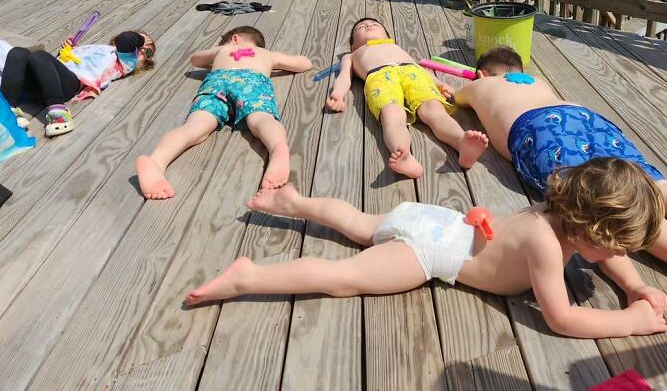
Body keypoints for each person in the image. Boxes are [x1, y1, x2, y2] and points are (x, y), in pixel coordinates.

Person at [185, 158, 667, 339]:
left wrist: (636, 287)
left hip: (438, 219)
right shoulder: (547, 245)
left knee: (356, 220)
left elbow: (609, 252)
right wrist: (630, 321)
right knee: (344, 277)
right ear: (589, 231)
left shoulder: (554, 213)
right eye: (612, 248)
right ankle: (250, 276)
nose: (614, 257)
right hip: (430, 252)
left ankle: (294, 202)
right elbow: (561, 318)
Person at [453, 45, 667, 260]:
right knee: (639, 176)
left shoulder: (482, 83)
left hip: (543, 128)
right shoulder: (537, 81)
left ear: (481, 74)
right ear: (521, 71)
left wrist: (452, 90)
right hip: (584, 117)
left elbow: (457, 98)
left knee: (599, 201)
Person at [135, 26, 312, 200]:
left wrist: (218, 53)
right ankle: (277, 147)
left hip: (217, 82)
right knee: (260, 118)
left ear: (234, 38)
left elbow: (195, 60)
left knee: (196, 126)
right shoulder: (267, 55)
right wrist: (270, 64)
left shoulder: (224, 50)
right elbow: (304, 63)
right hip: (252, 81)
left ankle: (156, 162)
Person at [325, 18, 488, 178]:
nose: (368, 25)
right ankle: (404, 155)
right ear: (353, 46)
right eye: (361, 27)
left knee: (434, 109)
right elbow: (344, 76)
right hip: (379, 76)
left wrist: (440, 85)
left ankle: (461, 142)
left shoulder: (394, 46)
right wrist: (338, 94)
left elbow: (421, 70)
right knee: (391, 114)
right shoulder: (351, 55)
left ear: (387, 36)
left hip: (412, 73)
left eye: (375, 24)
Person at [0, 31, 155, 137]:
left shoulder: (127, 61)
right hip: (43, 82)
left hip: (69, 84)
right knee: (18, 52)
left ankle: (59, 113)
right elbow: (67, 62)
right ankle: (5, 108)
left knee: (39, 56)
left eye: (147, 52)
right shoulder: (101, 48)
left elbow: (126, 39)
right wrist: (68, 51)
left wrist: (140, 40)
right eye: (140, 46)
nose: (142, 50)